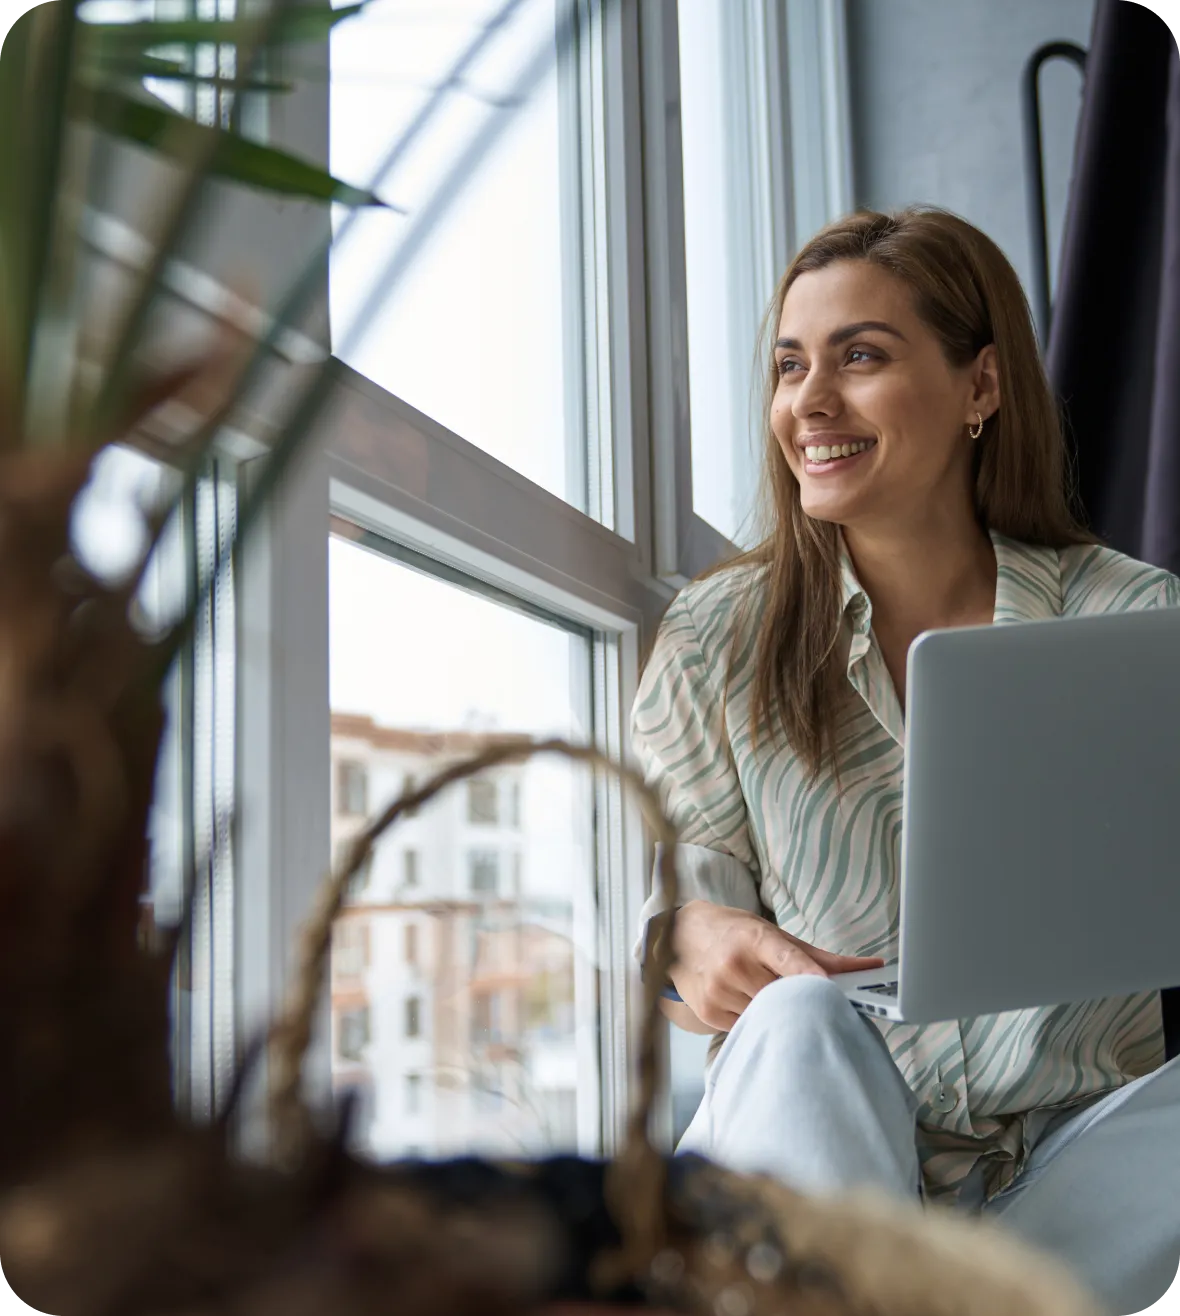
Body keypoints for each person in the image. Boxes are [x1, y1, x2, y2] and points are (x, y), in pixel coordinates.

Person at [631, 206, 1180, 1315]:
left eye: (860, 357)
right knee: (794, 1021)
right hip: (826, 1163)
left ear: (981, 386)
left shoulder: (1136, 616)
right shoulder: (715, 635)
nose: (809, 402)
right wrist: (699, 941)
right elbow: (684, 920)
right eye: (790, 366)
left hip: (1079, 1175)